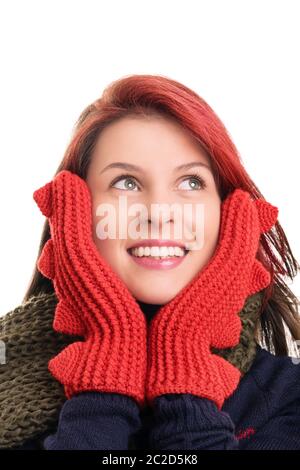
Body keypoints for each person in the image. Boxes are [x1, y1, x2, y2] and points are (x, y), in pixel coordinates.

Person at [0, 74, 300, 450]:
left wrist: (185, 358)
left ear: (228, 212)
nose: (160, 213)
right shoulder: (6, 381)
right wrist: (106, 361)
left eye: (191, 182)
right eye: (126, 183)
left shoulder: (287, 395)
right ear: (73, 208)